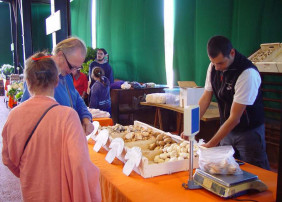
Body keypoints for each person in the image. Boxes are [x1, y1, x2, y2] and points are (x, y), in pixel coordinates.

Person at [2, 52, 101, 201]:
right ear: (56, 81)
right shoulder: (68, 116)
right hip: (61, 193)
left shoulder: (14, 115)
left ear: (27, 82)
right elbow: (80, 165)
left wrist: (29, 173)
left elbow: (8, 158)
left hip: (31, 190)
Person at [199, 35, 269, 169]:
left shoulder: (247, 73)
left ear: (232, 53)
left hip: (248, 132)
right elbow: (206, 97)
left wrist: (210, 145)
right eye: (213, 62)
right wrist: (191, 126)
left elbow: (235, 118)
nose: (217, 67)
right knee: (226, 169)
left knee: (255, 172)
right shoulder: (214, 66)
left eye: (220, 63)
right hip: (226, 129)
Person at [21, 37, 94, 135]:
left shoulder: (66, 75)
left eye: (77, 68)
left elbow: (76, 98)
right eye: (72, 66)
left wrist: (86, 119)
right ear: (60, 55)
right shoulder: (39, 74)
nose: (73, 72)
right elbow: (25, 114)